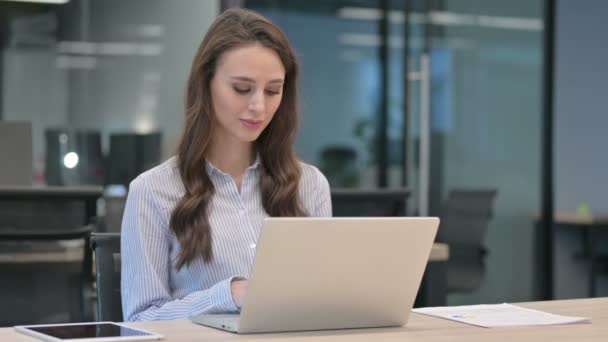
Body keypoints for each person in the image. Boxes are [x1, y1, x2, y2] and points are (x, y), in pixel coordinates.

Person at [120, 8, 331, 321]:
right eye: (242, 89)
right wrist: (230, 294)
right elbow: (139, 322)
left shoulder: (309, 184)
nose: (259, 105)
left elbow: (324, 299)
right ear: (206, 85)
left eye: (273, 90)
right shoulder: (152, 190)